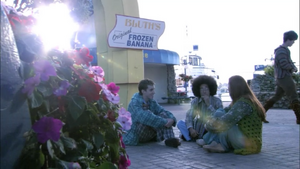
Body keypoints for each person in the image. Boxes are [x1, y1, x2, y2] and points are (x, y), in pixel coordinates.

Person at [197, 75, 266, 155]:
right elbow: (224, 111)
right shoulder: (240, 101)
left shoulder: (243, 104)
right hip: (246, 139)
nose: (228, 89)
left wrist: (208, 125)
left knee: (227, 125)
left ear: (235, 88)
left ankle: (216, 143)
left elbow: (225, 121)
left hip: (249, 143)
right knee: (220, 113)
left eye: (229, 87)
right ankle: (213, 142)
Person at [123, 79, 181, 148]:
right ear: (143, 91)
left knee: (163, 114)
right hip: (135, 135)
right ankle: (169, 139)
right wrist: (165, 121)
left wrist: (172, 119)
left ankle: (170, 140)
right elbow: (145, 117)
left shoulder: (151, 101)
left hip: (148, 133)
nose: (154, 92)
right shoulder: (135, 102)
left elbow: (162, 110)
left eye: (153, 89)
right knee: (150, 116)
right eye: (151, 90)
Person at [263, 30, 300, 124]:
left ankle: (260, 114)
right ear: (288, 39)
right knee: (293, 96)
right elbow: (284, 64)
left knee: (276, 97)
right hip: (284, 77)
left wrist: (292, 66)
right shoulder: (281, 51)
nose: (293, 43)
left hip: (281, 78)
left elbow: (288, 62)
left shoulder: (284, 50)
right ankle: (299, 118)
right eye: (293, 41)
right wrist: (293, 68)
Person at [177, 75, 223, 142]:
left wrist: (208, 104)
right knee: (180, 123)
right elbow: (189, 116)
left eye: (206, 88)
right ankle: (191, 137)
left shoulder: (217, 101)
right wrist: (191, 129)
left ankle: (188, 137)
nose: (204, 90)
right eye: (201, 88)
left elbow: (219, 118)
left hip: (210, 127)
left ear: (210, 89)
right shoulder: (195, 101)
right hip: (197, 127)